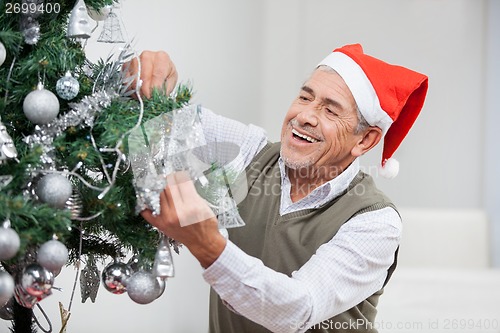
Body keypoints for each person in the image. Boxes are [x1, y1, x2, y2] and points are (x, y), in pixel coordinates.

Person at [134, 44, 428, 333]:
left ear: (364, 141)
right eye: (305, 97)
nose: (305, 116)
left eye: (330, 111)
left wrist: (210, 247)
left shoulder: (375, 222)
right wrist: (137, 83)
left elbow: (298, 310)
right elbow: (161, 125)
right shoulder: (250, 152)